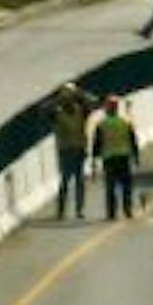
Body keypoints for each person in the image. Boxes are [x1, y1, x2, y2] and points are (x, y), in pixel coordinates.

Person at [48, 82, 93, 220]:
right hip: (66, 151)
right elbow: (45, 108)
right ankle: (61, 211)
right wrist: (58, 99)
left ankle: (79, 210)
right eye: (66, 98)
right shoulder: (57, 113)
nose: (68, 100)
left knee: (79, 181)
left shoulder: (80, 111)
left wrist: (80, 93)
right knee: (65, 181)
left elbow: (93, 102)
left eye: (70, 97)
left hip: (78, 149)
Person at [93, 96, 137, 220]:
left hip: (109, 158)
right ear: (117, 108)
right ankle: (128, 210)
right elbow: (133, 140)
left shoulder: (102, 124)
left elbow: (97, 143)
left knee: (110, 187)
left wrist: (94, 159)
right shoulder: (125, 122)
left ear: (107, 109)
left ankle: (111, 213)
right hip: (124, 157)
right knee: (126, 186)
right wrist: (135, 156)